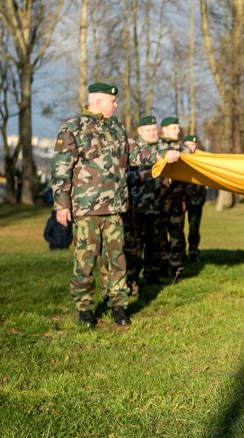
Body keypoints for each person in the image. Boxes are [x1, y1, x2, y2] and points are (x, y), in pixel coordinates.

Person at [52, 83, 179, 327]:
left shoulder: (116, 127)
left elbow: (134, 152)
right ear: (98, 101)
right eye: (113, 101)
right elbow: (60, 168)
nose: (116, 104)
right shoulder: (72, 128)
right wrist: (61, 204)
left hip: (115, 207)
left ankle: (118, 305)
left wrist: (162, 156)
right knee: (85, 259)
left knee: (117, 259)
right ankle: (85, 308)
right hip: (86, 208)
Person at [124, 116, 162, 291]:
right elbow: (124, 178)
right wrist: (141, 176)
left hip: (158, 207)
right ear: (139, 131)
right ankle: (131, 281)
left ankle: (153, 277)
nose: (153, 133)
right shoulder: (132, 150)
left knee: (156, 245)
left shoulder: (164, 151)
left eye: (155, 129)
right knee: (134, 249)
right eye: (149, 130)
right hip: (136, 210)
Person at [157, 116, 186, 282]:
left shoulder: (182, 148)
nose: (178, 130)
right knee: (159, 238)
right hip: (158, 201)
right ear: (165, 129)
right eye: (174, 128)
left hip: (176, 200)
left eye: (178, 127)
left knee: (176, 236)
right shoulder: (157, 148)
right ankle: (160, 269)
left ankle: (176, 270)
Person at [182, 134, 207, 263]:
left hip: (197, 199)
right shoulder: (180, 158)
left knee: (194, 227)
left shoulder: (201, 159)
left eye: (193, 144)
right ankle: (179, 253)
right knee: (178, 228)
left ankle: (193, 252)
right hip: (181, 198)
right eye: (188, 145)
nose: (191, 147)